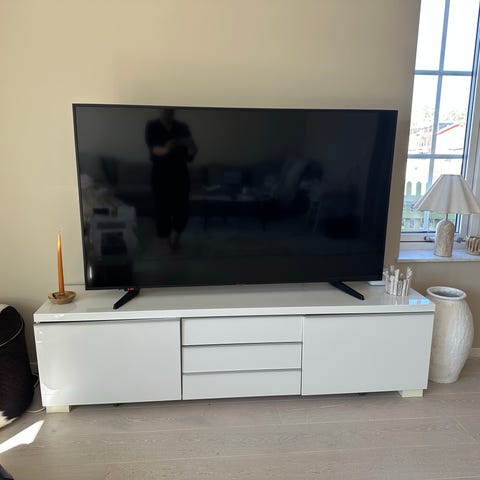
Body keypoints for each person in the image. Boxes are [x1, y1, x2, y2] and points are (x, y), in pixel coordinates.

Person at [145, 109, 197, 251]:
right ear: (160, 110)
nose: (168, 113)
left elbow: (191, 154)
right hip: (160, 175)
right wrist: (168, 147)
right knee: (162, 209)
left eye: (170, 110)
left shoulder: (182, 127)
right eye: (165, 110)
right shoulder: (152, 126)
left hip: (181, 173)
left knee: (182, 208)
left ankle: (176, 237)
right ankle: (166, 240)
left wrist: (190, 145)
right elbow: (154, 149)